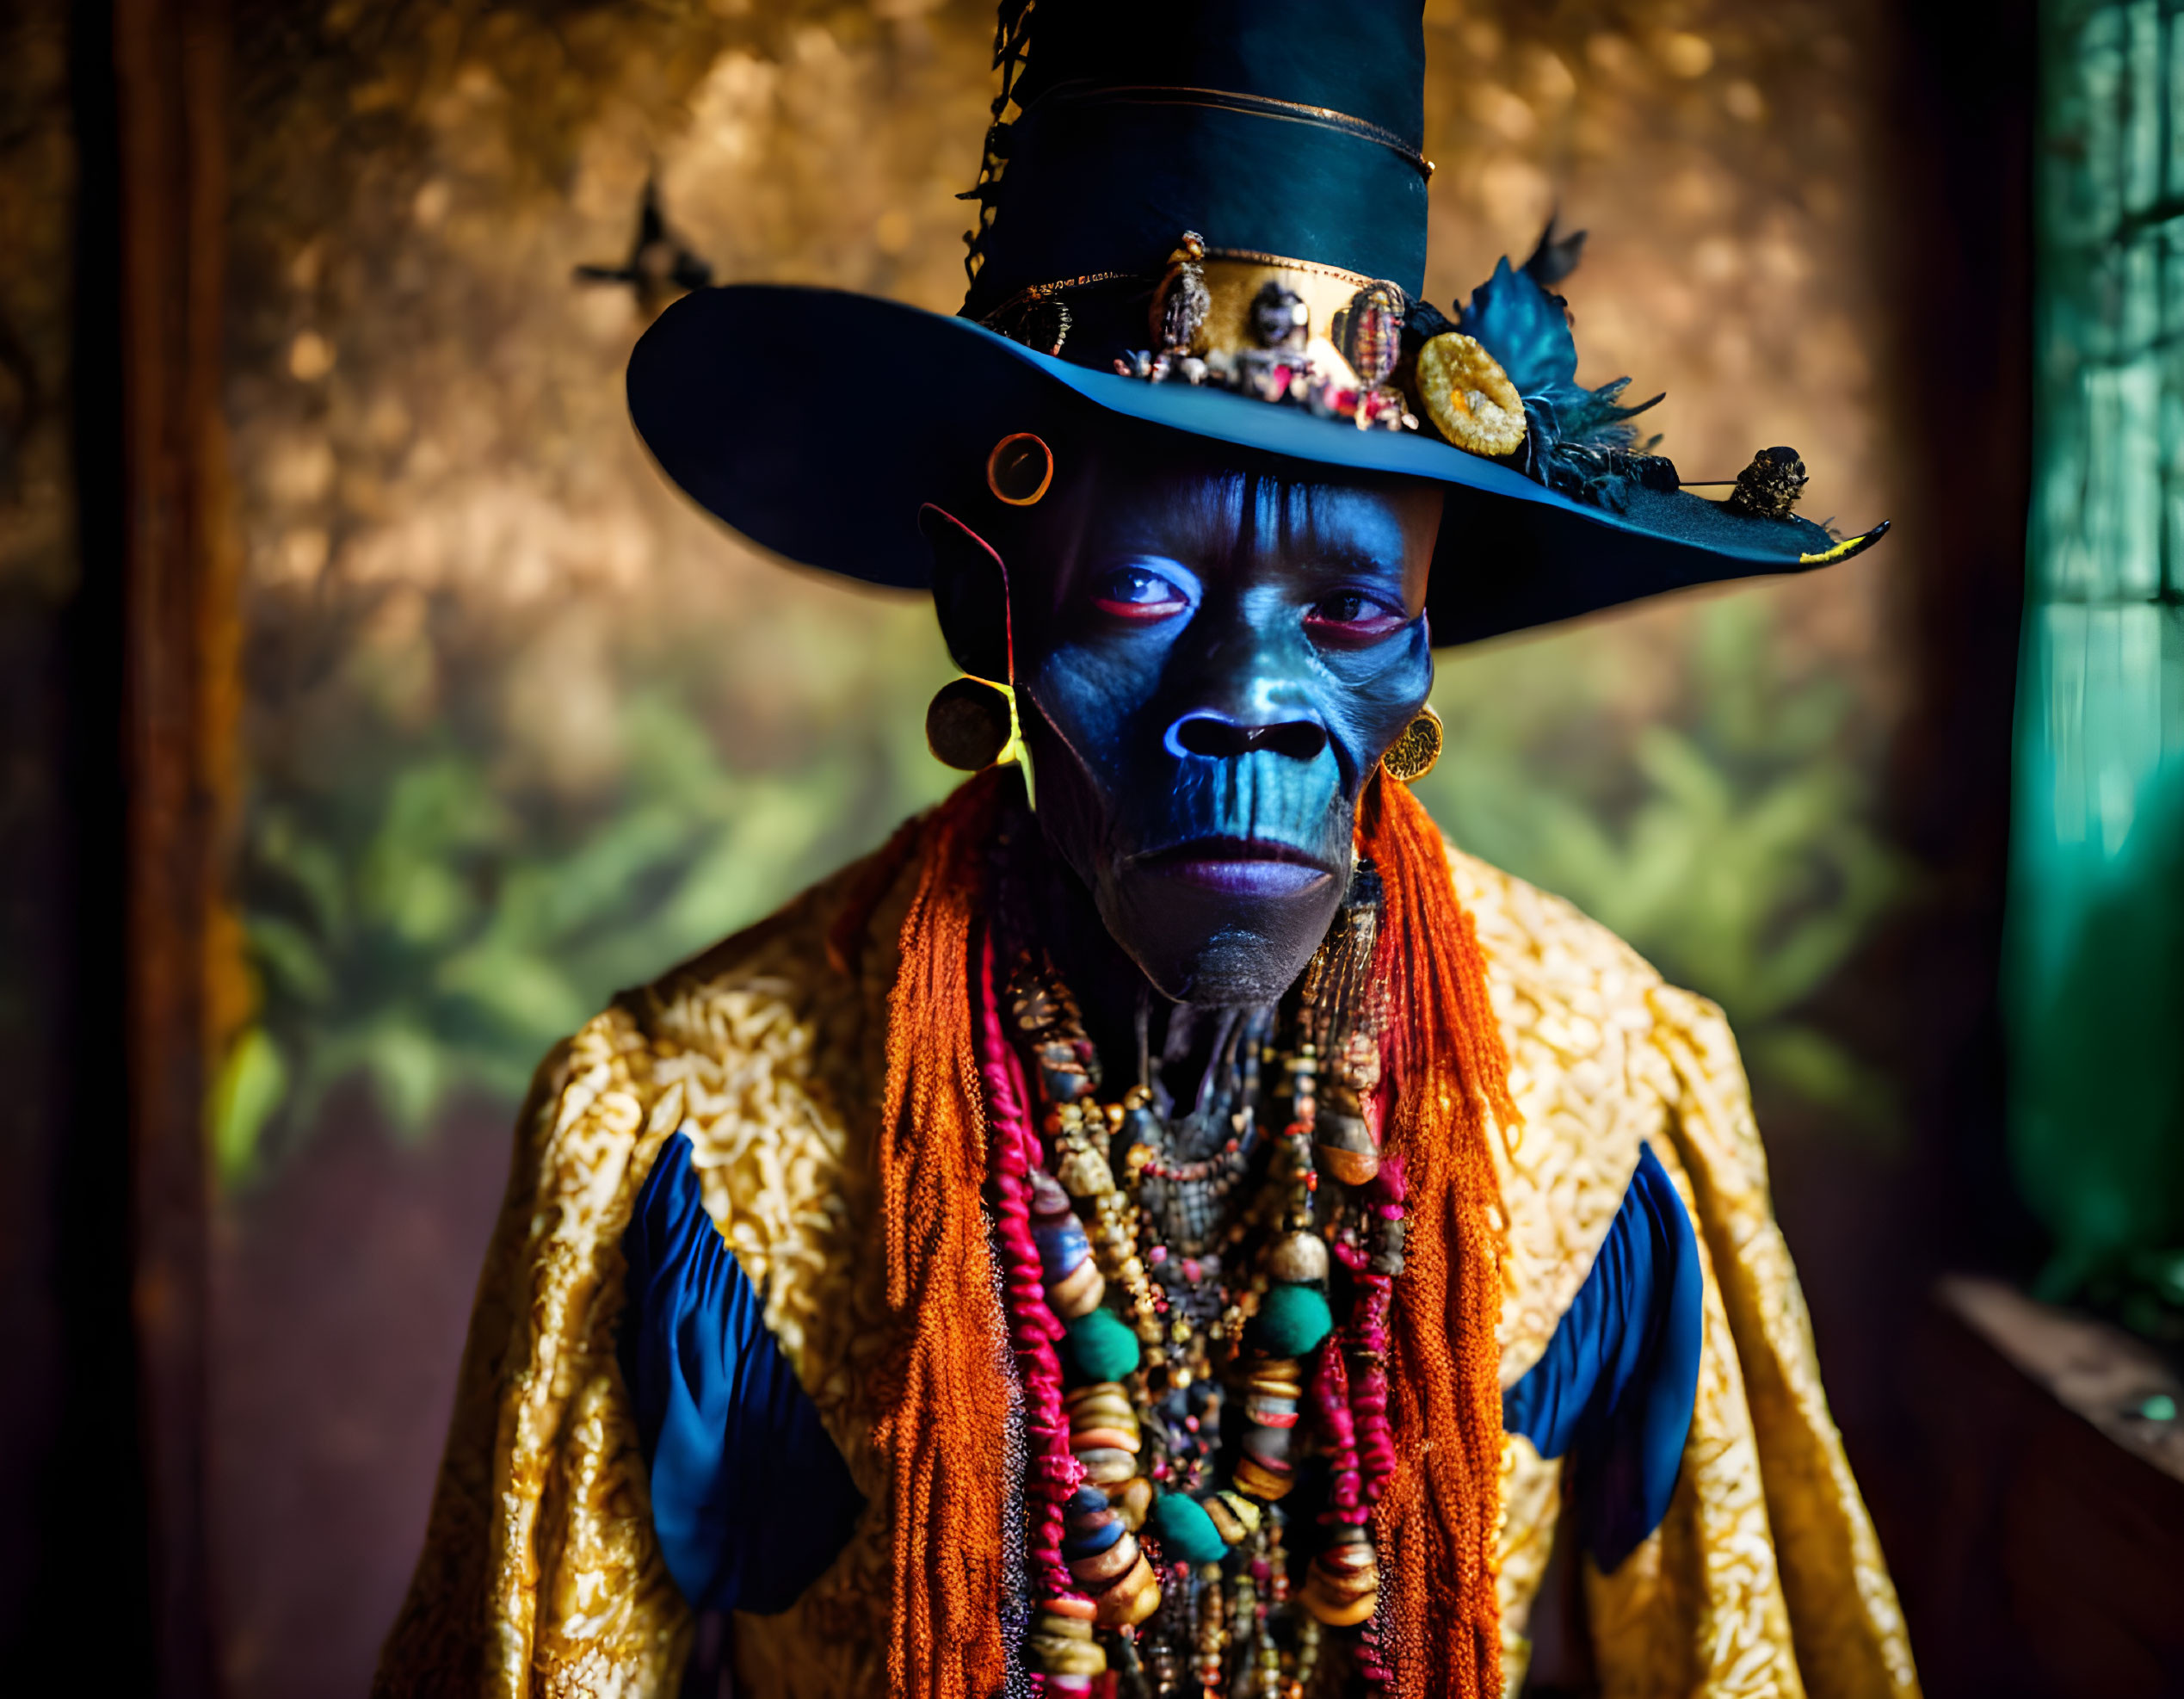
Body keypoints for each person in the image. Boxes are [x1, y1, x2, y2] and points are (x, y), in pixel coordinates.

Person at [378, 3, 1916, 1696]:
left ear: (1420, 649)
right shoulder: (699, 1133)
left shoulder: (1605, 1090)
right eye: (1139, 592)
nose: (1242, 706)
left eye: (1341, 610)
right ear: (996, 613)